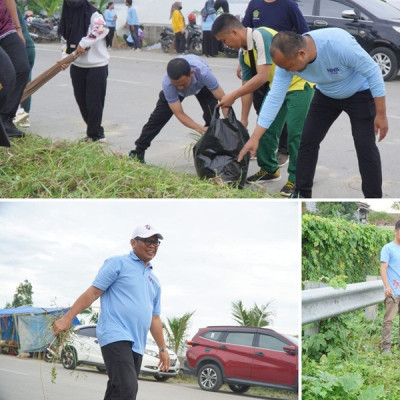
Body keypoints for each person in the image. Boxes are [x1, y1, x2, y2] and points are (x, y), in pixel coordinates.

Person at [238, 28, 388, 198]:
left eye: (288, 67)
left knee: (364, 145)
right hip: (326, 94)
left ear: (301, 54)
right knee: (307, 141)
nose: (287, 71)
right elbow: (274, 97)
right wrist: (255, 137)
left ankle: (374, 197)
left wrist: (381, 114)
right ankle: (302, 193)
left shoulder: (338, 45)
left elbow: (373, 72)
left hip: (360, 92)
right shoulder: (286, 63)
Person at [53, 223, 170, 400]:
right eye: (147, 241)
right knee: (127, 389)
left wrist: (163, 348)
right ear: (133, 242)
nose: (152, 246)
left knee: (118, 390)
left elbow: (154, 318)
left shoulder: (155, 280)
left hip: (137, 343)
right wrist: (67, 318)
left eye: (156, 242)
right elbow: (93, 292)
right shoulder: (118, 263)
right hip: (115, 334)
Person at [213, 13, 313, 197]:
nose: (224, 45)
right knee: (265, 128)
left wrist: (231, 96)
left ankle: (296, 179)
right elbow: (247, 87)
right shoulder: (243, 53)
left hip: (299, 84)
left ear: (234, 32)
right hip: (278, 87)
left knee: (295, 133)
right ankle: (269, 169)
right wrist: (243, 119)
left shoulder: (261, 36)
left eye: (224, 40)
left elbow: (262, 77)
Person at [242, 0, 309, 168]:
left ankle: (285, 152)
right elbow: (246, 33)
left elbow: (304, 34)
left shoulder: (289, 5)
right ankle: (268, 166)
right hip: (262, 66)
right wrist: (243, 64)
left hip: (285, 66)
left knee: (294, 127)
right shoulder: (254, 4)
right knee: (265, 115)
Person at [128, 55, 226, 163]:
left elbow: (223, 100)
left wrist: (229, 122)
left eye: (183, 84)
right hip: (175, 94)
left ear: (191, 74)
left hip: (202, 86)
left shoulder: (204, 73)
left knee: (212, 117)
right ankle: (138, 151)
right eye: (177, 85)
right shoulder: (168, 84)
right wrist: (200, 129)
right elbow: (179, 113)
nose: (180, 87)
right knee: (157, 119)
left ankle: (211, 152)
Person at [58, 0, 109, 142]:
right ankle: (95, 132)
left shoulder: (93, 14)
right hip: (77, 66)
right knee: (82, 102)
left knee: (94, 103)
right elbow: (64, 40)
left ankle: (95, 136)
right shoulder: (67, 16)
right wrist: (65, 59)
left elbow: (102, 29)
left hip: (97, 66)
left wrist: (84, 42)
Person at [0, 0, 30, 142]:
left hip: (5, 26)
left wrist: (18, 28)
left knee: (21, 68)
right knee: (7, 74)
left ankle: (6, 119)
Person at [13, 5, 35, 129]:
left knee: (13, 82)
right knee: (25, 83)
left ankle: (18, 113)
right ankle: (23, 115)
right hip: (27, 47)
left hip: (20, 47)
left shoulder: (6, 6)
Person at [380, 220, 400, 355]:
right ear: (395, 231)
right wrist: (387, 287)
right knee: (389, 320)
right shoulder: (388, 248)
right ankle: (386, 348)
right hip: (393, 291)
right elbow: (383, 269)